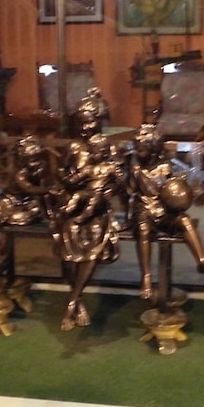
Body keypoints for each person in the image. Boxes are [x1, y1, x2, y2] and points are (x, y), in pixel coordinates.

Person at [47, 95, 124, 330]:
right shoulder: (74, 147)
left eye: (89, 121)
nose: (85, 127)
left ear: (99, 120)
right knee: (68, 241)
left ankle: (72, 301)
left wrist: (104, 191)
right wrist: (67, 180)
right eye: (81, 122)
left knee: (92, 245)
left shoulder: (110, 147)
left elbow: (119, 183)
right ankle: (77, 302)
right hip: (73, 202)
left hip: (97, 208)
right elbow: (63, 175)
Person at [126, 124, 204, 299]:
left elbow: (168, 190)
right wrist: (135, 173)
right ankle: (146, 276)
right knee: (143, 230)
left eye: (141, 150)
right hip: (144, 211)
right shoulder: (135, 168)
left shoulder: (164, 166)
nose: (137, 153)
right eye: (136, 149)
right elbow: (131, 190)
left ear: (153, 150)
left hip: (165, 210)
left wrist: (180, 185)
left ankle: (202, 260)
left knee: (185, 220)